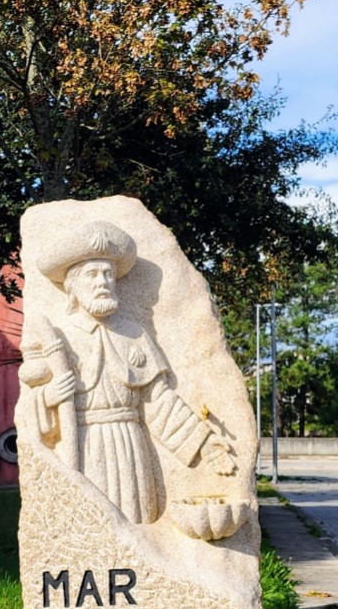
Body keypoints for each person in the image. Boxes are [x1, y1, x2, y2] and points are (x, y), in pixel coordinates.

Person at [21, 221, 235, 524]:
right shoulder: (60, 337)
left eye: (108, 274)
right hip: (83, 445)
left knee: (135, 520)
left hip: (130, 448)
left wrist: (204, 444)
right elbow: (26, 409)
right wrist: (48, 398)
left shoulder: (133, 333)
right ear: (72, 285)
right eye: (92, 275)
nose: (103, 282)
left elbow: (159, 402)